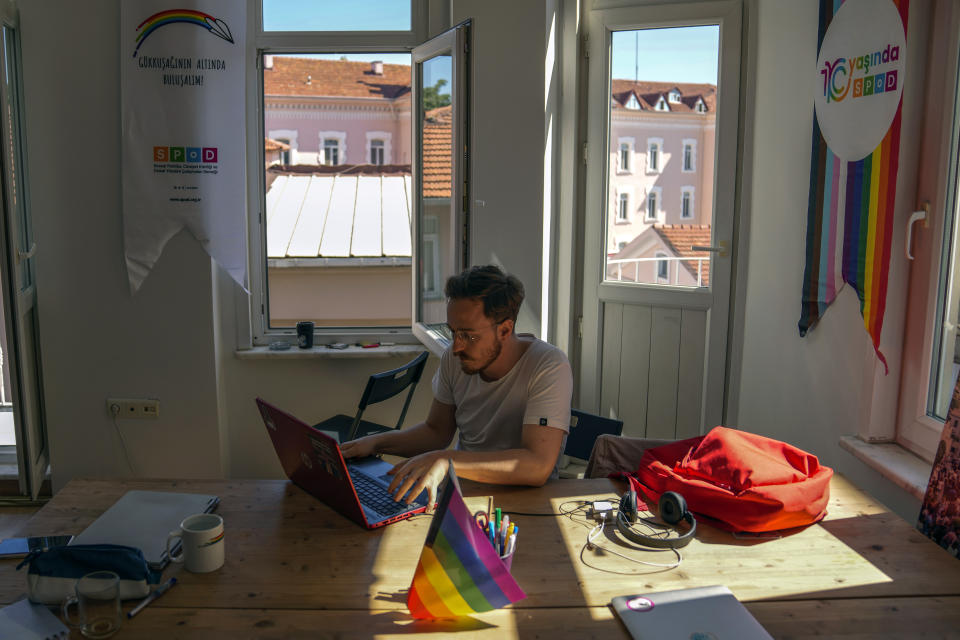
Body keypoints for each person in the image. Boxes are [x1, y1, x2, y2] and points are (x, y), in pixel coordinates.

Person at [341, 265, 573, 508]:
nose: (456, 347)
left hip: (528, 504)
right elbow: (436, 432)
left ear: (505, 329)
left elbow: (537, 466)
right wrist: (376, 443)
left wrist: (446, 461)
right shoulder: (455, 359)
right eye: (453, 332)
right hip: (462, 495)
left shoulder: (548, 366)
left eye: (468, 336)